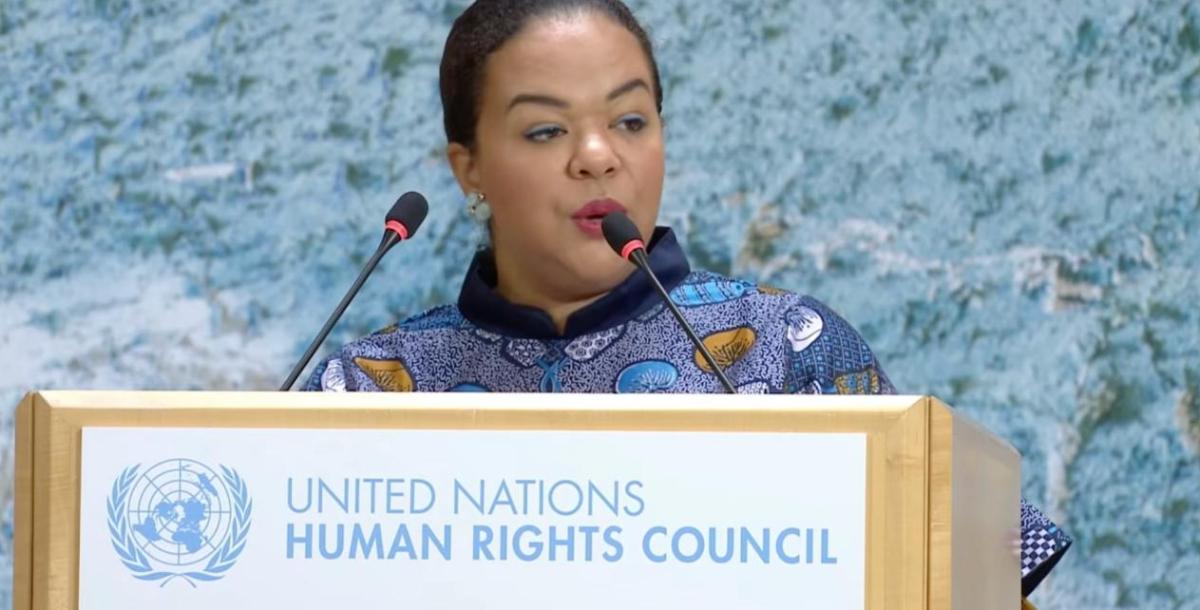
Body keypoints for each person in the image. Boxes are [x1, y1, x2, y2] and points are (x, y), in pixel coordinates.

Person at [305, 0, 1069, 599]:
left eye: (630, 121)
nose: (597, 156)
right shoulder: (369, 388)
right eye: (545, 130)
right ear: (469, 167)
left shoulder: (786, 348)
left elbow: (982, 584)